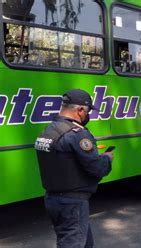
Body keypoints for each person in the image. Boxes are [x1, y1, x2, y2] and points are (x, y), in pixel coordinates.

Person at [34, 89, 113, 248]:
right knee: (73, 243)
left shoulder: (49, 130)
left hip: (53, 199)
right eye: (88, 111)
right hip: (72, 203)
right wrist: (107, 158)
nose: (88, 115)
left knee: (85, 243)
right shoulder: (77, 134)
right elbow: (97, 168)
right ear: (80, 110)